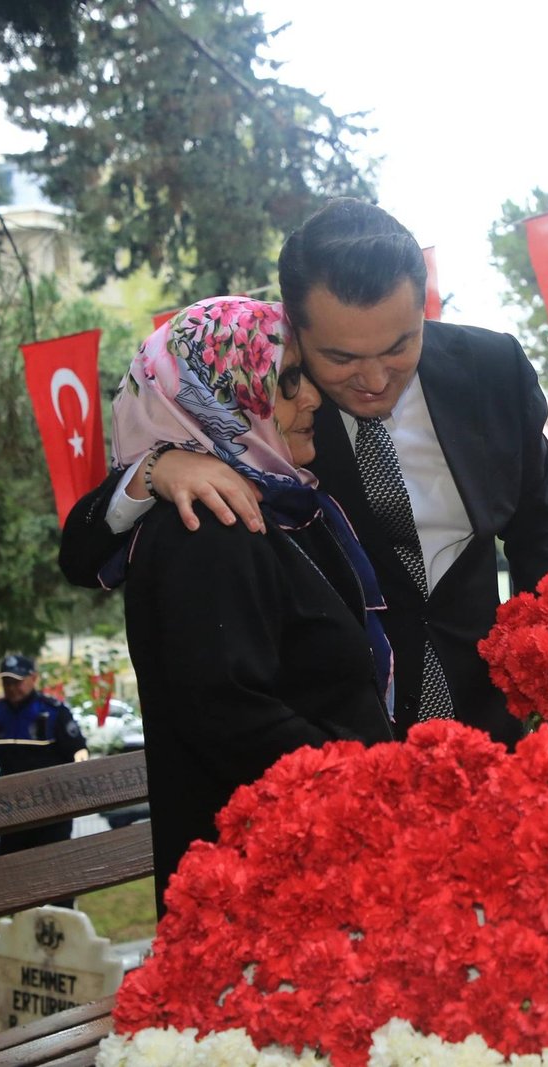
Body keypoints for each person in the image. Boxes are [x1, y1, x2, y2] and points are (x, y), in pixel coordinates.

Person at [61, 198, 548, 746]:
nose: (375, 379)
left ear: (424, 309)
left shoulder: (493, 369)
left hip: (487, 712)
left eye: (401, 346)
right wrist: (157, 465)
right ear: (295, 328)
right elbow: (83, 554)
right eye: (341, 359)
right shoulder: (267, 407)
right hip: (338, 737)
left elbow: (537, 520)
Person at [100, 296, 396, 912]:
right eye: (287, 384)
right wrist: (371, 791)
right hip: (263, 892)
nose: (312, 400)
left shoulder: (276, 500)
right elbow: (229, 715)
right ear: (221, 395)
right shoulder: (204, 527)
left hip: (307, 867)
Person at [0, 654, 88, 870]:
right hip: (11, 809)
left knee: (56, 869)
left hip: (52, 806)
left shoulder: (52, 711)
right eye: (7, 682)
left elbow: (78, 749)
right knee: (14, 871)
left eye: (17, 681)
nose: (12, 688)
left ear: (33, 678)